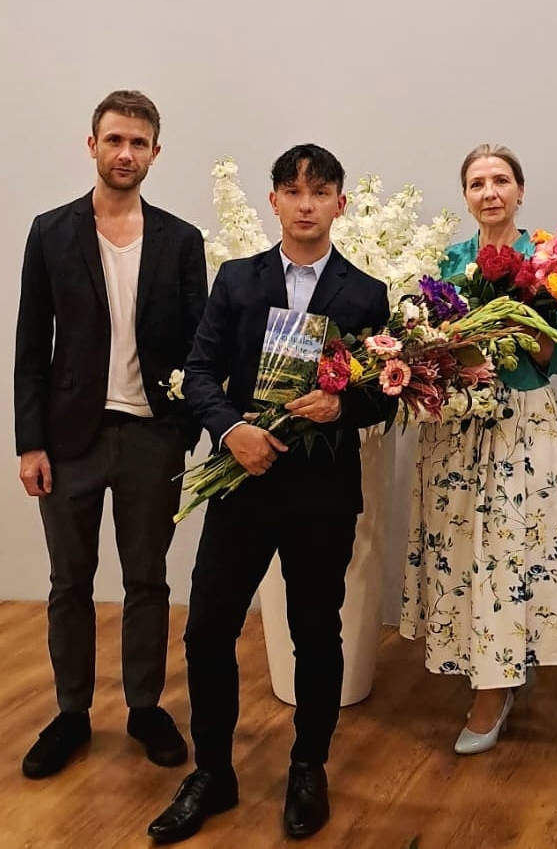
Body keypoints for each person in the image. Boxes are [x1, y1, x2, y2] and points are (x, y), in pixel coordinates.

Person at [147, 144, 394, 844]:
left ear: (340, 204)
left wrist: (340, 405)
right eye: (292, 190)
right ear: (273, 201)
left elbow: (385, 393)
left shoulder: (366, 293)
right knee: (206, 630)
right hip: (242, 484)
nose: (305, 204)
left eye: (319, 192)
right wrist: (231, 431)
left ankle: (308, 765)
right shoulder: (237, 279)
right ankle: (213, 771)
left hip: (321, 494)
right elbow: (199, 371)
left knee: (316, 632)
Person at [14, 90, 208, 778]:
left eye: (138, 143)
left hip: (152, 437)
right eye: (115, 139)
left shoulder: (181, 241)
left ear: (156, 152)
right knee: (69, 581)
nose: (126, 153)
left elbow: (199, 344)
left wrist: (185, 430)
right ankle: (71, 713)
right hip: (69, 439)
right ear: (92, 144)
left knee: (147, 579)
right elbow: (31, 345)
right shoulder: (50, 232)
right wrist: (29, 442)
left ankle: (144, 707)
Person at [400, 144, 557, 755]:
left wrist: (516, 318)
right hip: (456, 424)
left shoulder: (547, 260)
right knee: (461, 550)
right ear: (466, 196)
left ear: (520, 191)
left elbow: (555, 356)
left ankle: (496, 686)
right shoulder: (448, 262)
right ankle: (488, 667)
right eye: (477, 183)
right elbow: (427, 347)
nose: (490, 192)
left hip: (520, 425)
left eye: (501, 180)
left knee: (510, 552)